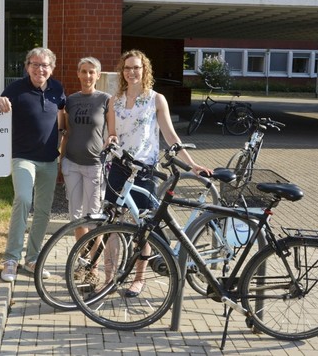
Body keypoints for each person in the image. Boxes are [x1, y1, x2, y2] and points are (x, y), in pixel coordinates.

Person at [104, 49, 212, 296]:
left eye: (136, 68)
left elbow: (171, 136)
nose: (132, 72)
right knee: (112, 224)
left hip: (144, 171)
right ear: (122, 71)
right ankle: (109, 278)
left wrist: (192, 164)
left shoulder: (155, 99)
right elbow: (112, 132)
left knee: (143, 226)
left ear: (144, 70)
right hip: (118, 168)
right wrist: (109, 139)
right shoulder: (114, 100)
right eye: (127, 68)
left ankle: (139, 279)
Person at [0, 47, 66, 282]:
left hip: (49, 159)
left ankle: (32, 259)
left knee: (44, 211)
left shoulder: (58, 90)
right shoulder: (16, 88)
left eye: (45, 65)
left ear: (52, 69)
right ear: (27, 67)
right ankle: (11, 259)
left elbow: (63, 119)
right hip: (23, 157)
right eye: (35, 64)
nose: (39, 69)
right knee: (23, 199)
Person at [59, 57, 116, 287]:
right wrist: (60, 159)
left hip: (94, 167)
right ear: (78, 73)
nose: (87, 76)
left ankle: (92, 267)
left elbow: (112, 132)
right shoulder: (70, 101)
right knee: (77, 218)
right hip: (72, 164)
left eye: (92, 72)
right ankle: (81, 262)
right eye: (83, 71)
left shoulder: (105, 100)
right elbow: (65, 131)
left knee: (94, 219)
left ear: (98, 75)